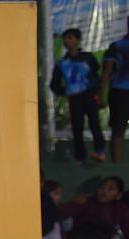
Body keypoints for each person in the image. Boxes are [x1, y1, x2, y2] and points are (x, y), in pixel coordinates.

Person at [51, 28, 107, 165]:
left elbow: (96, 72)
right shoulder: (61, 63)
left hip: (90, 94)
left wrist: (97, 91)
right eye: (65, 38)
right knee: (77, 126)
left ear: (78, 40)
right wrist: (66, 90)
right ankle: (80, 156)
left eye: (70, 38)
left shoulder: (88, 58)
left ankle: (99, 151)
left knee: (94, 123)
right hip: (74, 97)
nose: (66, 41)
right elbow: (54, 84)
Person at [57, 175, 129, 239]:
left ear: (118, 195)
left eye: (111, 189)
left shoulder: (121, 209)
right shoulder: (86, 201)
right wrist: (74, 202)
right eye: (102, 187)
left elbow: (124, 231)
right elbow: (62, 215)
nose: (104, 191)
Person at [104, 18, 129, 162]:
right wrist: (101, 91)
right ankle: (117, 163)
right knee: (118, 129)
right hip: (120, 91)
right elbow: (107, 70)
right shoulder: (117, 46)